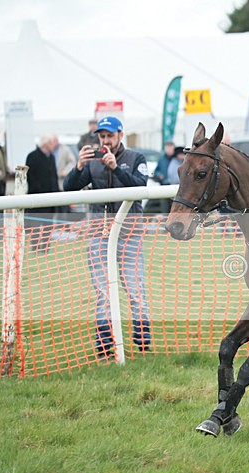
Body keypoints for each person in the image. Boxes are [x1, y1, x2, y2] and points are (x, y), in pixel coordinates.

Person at [63, 116, 151, 358]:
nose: (106, 141)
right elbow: (68, 189)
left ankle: (143, 345)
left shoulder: (136, 159)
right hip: (99, 233)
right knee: (103, 291)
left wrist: (115, 169)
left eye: (110, 136)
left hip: (129, 233)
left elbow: (140, 186)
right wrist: (79, 167)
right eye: (102, 137)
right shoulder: (92, 163)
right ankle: (104, 349)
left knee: (135, 290)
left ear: (120, 135)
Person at [24, 135, 60, 253]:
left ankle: (45, 247)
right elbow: (30, 176)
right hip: (36, 198)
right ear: (46, 144)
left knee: (48, 224)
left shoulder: (51, 158)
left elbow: (54, 176)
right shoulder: (32, 156)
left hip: (51, 198)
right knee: (35, 224)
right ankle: (35, 247)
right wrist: (39, 189)